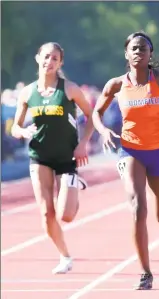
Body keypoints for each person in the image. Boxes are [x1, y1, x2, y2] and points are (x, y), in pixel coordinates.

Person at [92, 31, 159, 290]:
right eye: (134, 48)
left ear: (150, 54)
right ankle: (146, 272)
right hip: (131, 151)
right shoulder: (116, 85)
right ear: (126, 53)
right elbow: (96, 113)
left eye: (143, 48)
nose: (138, 52)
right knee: (137, 208)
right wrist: (103, 131)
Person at [11, 42, 94, 274]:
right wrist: (22, 132)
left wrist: (83, 144)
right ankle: (65, 256)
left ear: (60, 63)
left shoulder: (69, 89)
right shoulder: (27, 92)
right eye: (46, 57)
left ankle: (73, 184)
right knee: (47, 213)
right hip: (39, 156)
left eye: (55, 58)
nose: (49, 62)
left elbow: (91, 116)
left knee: (65, 215)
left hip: (66, 156)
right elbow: (15, 127)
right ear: (38, 58)